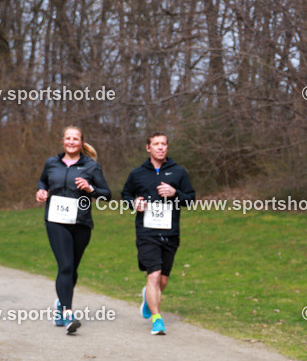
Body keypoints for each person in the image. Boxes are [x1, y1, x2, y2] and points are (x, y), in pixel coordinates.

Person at [35, 126, 111, 334]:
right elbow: (43, 180)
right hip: (56, 221)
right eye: (68, 138)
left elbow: (107, 195)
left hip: (81, 223)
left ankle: (60, 303)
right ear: (63, 141)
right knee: (66, 266)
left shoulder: (91, 166)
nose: (71, 142)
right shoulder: (52, 163)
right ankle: (68, 314)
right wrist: (41, 190)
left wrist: (90, 189)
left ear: (81, 142)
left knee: (72, 269)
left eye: (75, 139)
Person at [121, 132, 195, 335]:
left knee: (162, 280)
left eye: (164, 144)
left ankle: (148, 297)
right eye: (156, 144)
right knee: (153, 275)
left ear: (167, 148)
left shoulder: (179, 172)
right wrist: (133, 203)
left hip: (170, 232)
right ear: (148, 148)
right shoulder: (138, 173)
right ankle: (157, 320)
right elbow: (126, 194)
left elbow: (190, 199)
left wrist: (175, 193)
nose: (160, 147)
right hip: (147, 232)